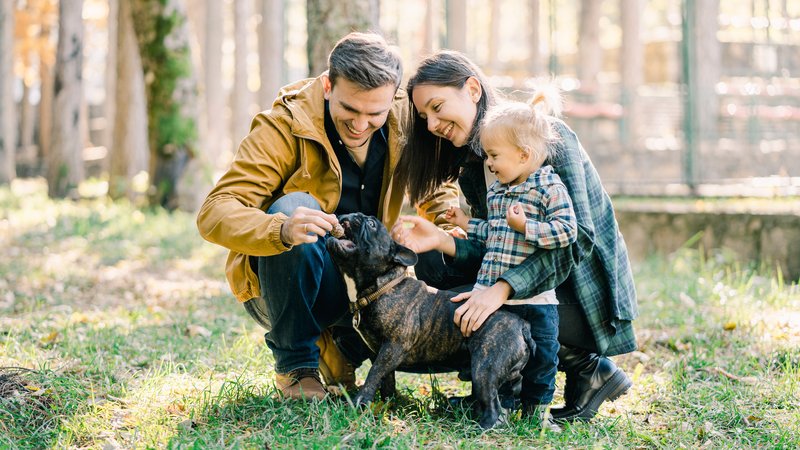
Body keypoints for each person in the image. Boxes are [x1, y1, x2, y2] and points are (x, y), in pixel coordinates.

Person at [196, 33, 460, 401]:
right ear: (327, 86)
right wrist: (280, 229)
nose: (361, 124)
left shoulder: (406, 116)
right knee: (293, 206)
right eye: (350, 109)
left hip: (368, 286)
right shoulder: (284, 124)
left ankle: (343, 347)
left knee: (445, 248)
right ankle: (297, 365)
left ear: (393, 98)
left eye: (374, 114)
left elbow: (434, 187)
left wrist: (446, 229)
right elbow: (215, 210)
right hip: (289, 285)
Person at [392, 50, 638, 422]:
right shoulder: (476, 166)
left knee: (475, 296)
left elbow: (577, 241)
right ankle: (509, 380)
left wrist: (502, 289)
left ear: (472, 89)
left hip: (582, 297)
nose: (432, 124)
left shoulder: (546, 138)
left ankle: (586, 367)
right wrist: (442, 240)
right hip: (535, 289)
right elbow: (498, 246)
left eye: (437, 107)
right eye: (425, 117)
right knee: (433, 262)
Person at [443, 90, 577, 420]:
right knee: (493, 351)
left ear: (523, 154)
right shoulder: (499, 191)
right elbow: (495, 233)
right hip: (494, 293)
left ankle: (537, 411)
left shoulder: (550, 188)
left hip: (535, 298)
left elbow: (567, 232)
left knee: (543, 356)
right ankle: (496, 404)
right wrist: (466, 223)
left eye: (493, 155)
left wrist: (526, 226)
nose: (488, 163)